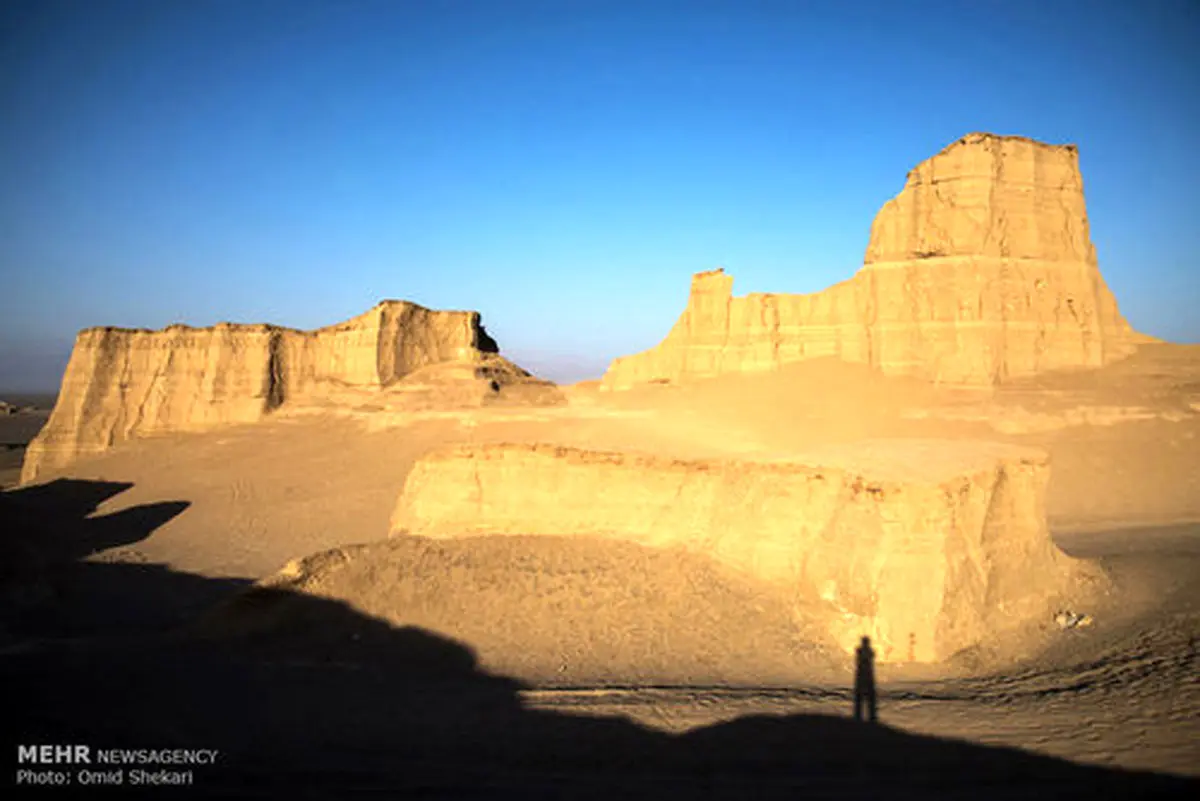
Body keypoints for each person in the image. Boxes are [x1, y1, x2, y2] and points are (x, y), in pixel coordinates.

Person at [854, 635, 877, 723]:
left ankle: (863, 717)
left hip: (864, 675)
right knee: (865, 698)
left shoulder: (863, 651)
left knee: (864, 698)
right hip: (865, 675)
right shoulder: (865, 651)